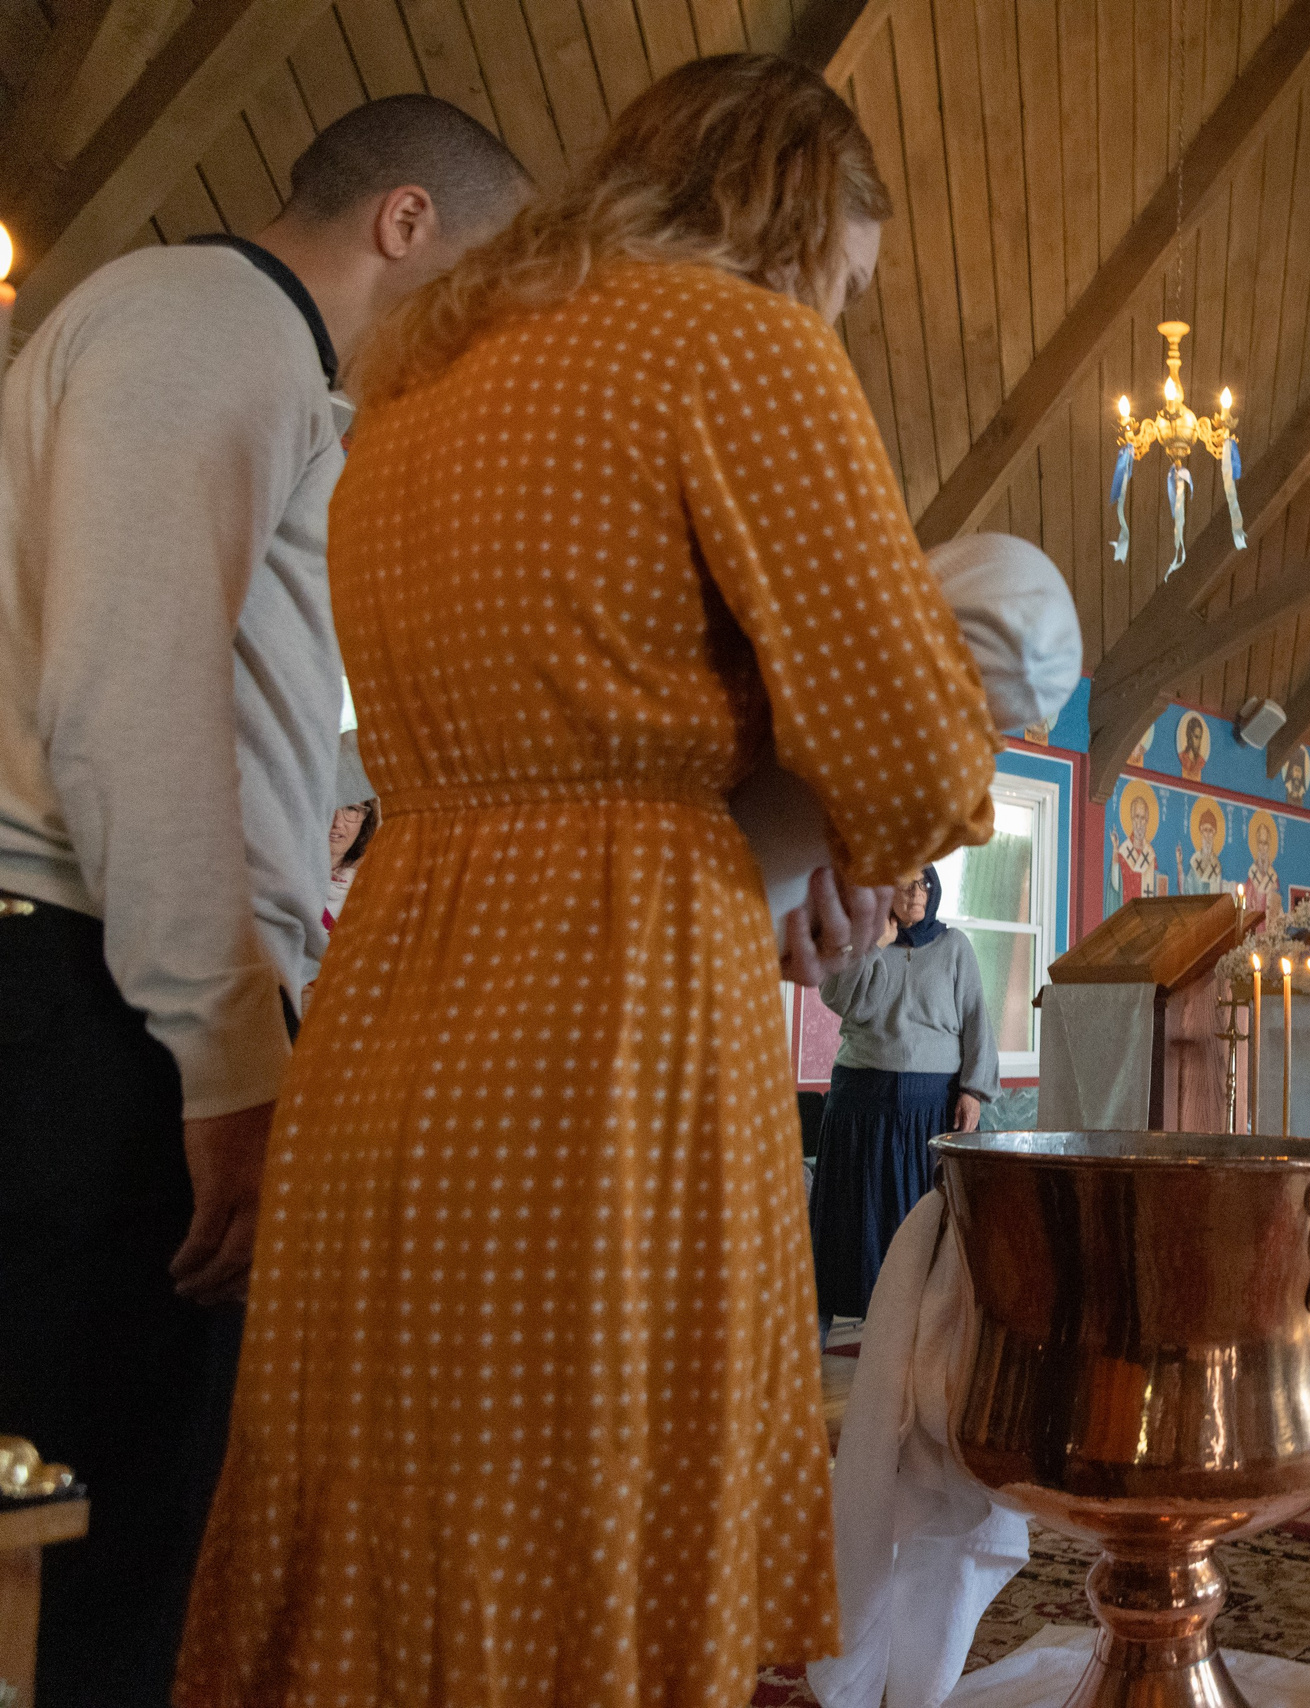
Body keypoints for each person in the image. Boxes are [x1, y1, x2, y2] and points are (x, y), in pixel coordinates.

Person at [173, 56, 997, 1708]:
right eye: (840, 282)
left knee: (393, 1515)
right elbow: (920, 754)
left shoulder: (415, 380)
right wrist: (818, 837)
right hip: (614, 1016)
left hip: (396, 981)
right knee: (592, 1501)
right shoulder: (736, 341)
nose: (830, 316)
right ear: (784, 222)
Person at [0, 96, 526, 1708]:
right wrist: (228, 1061)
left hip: (120, 987)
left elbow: (230, 696)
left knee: (143, 1521)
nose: (489, 327)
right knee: (110, 1542)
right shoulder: (209, 323)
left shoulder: (252, 357)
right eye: (487, 273)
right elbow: (131, 703)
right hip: (100, 1003)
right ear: (406, 224)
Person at [812, 869, 994, 1329]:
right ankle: (816, 1345)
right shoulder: (862, 939)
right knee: (849, 1227)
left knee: (918, 1228)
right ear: (883, 890)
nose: (917, 894)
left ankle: (912, 1345)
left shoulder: (954, 947)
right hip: (862, 1107)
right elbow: (843, 999)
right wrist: (873, 943)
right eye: (907, 883)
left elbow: (976, 1020)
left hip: (928, 1110)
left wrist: (973, 1090)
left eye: (924, 885)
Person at [322, 799, 379, 930]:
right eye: (328, 805)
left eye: (351, 808)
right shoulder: (275, 881)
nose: (337, 822)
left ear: (366, 820)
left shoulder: (373, 892)